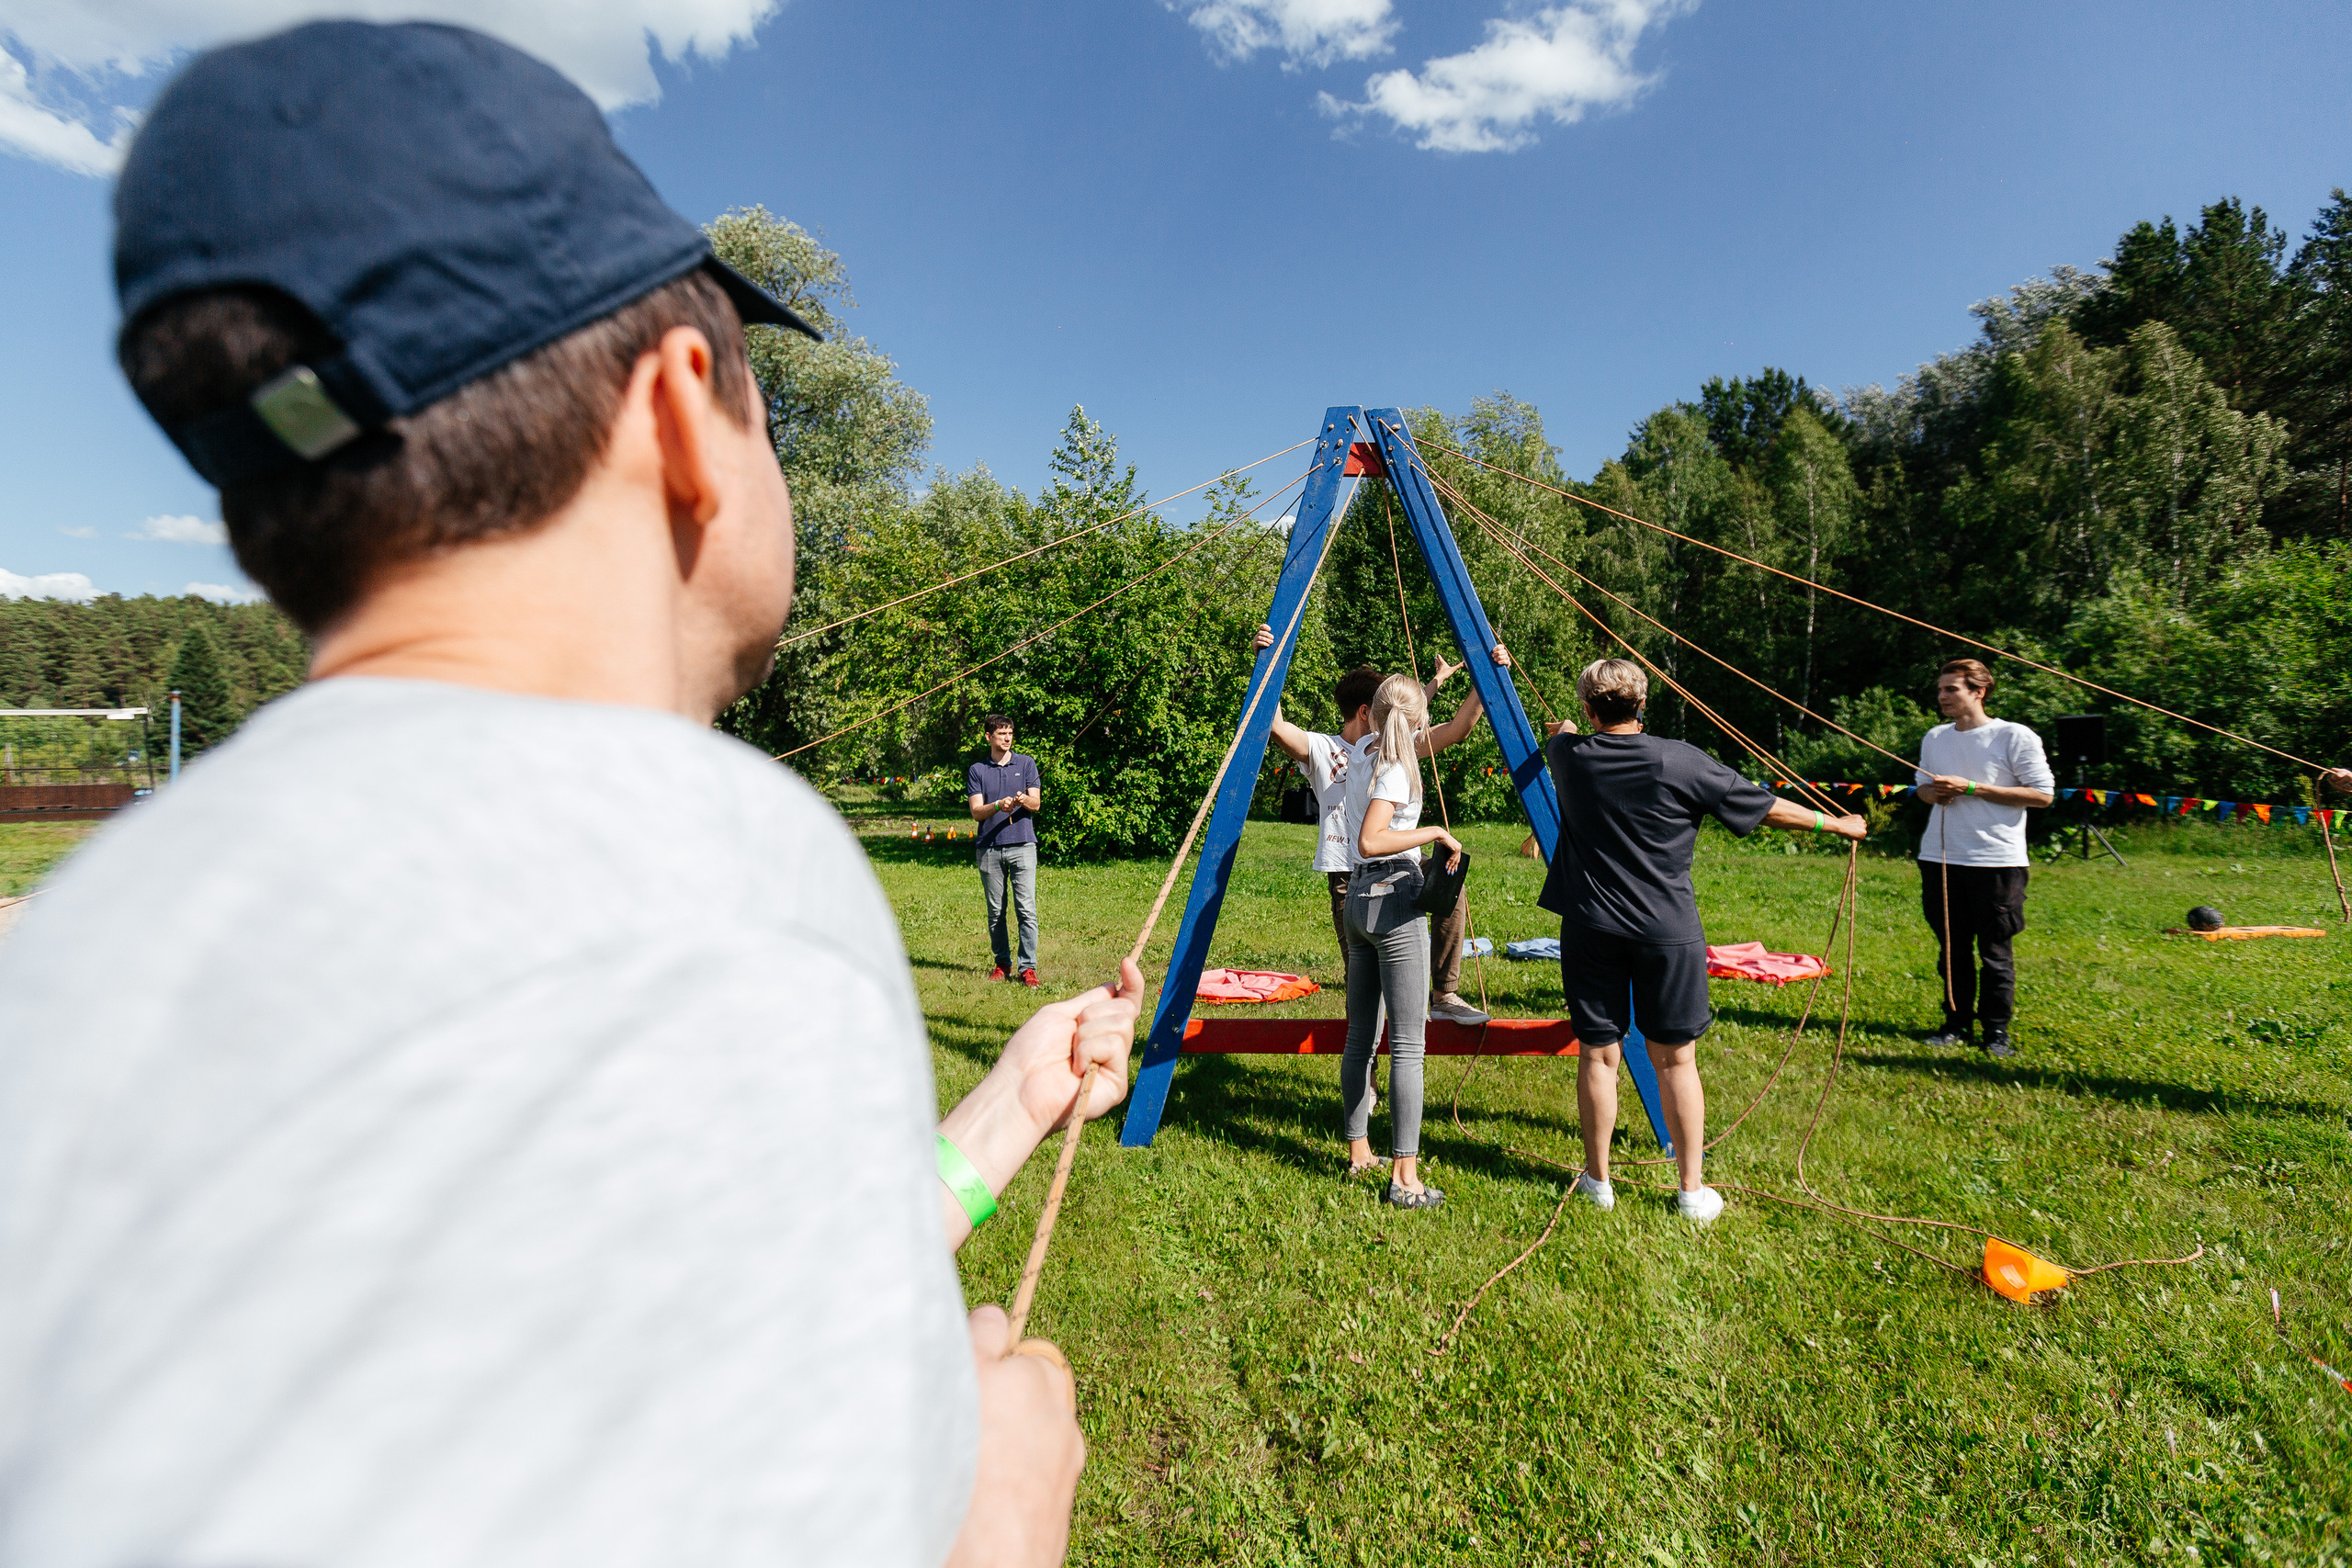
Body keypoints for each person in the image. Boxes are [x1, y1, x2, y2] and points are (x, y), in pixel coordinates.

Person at [0, 23, 1139, 1567]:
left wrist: (1011, 1103)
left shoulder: (72, 953)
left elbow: (719, 1279)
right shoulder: (721, 878)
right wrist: (990, 1520)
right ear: (682, 416)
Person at [1539, 659, 1865, 1224]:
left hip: (1591, 925)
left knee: (1598, 1053)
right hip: (1668, 932)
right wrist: (1837, 825)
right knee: (1677, 1060)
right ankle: (1691, 1192)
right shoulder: (1680, 760)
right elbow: (1768, 809)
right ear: (1643, 707)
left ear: (1591, 710)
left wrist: (1566, 729)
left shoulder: (1570, 757)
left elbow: (1561, 736)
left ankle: (1598, 1182)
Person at [1255, 625, 1508, 1024]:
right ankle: (1368, 1069)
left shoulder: (1394, 742)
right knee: (1364, 985)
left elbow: (1457, 728)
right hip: (1349, 872)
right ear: (1365, 712)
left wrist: (1485, 676)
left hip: (1404, 864)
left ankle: (1444, 994)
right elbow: (1274, 725)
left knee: (1449, 883)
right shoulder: (1324, 748)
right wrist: (1266, 659)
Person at [1343, 673, 1467, 1209]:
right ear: (1414, 720)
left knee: (1360, 1036)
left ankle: (1359, 1152)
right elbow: (1374, 839)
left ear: (1370, 714)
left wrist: (1474, 685)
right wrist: (1434, 833)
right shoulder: (1396, 766)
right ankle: (1405, 1178)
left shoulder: (1364, 750)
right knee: (1409, 1046)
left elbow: (1451, 726)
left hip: (1357, 904)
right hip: (1394, 899)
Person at [1914, 658, 2054, 1059]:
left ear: (1979, 692)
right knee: (1952, 948)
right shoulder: (1935, 738)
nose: (1942, 697)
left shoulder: (2013, 736)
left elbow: (2042, 795)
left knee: (1994, 951)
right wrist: (1933, 793)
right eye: (1940, 690)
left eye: (1951, 690)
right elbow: (1921, 788)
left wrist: (1972, 788)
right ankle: (1955, 1024)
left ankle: (1996, 1033)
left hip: (1996, 861)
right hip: (1940, 857)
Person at [968, 713, 1044, 985]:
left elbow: (1036, 804)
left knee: (1026, 909)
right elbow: (977, 812)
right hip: (989, 849)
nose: (1008, 737)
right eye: (1002, 734)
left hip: (1023, 845)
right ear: (989, 737)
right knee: (996, 912)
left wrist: (1024, 800)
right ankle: (1002, 964)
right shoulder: (977, 770)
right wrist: (998, 805)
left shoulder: (1026, 764)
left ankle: (1028, 968)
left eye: (1010, 732)